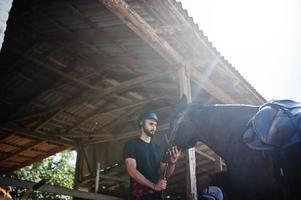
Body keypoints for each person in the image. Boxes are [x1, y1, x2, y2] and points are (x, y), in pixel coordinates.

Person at [123, 112, 181, 200]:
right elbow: (132, 171)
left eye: (155, 125)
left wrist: (173, 163)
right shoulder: (131, 144)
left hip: (156, 195)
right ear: (141, 123)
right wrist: (153, 186)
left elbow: (164, 174)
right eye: (150, 124)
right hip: (139, 195)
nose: (154, 127)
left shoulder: (158, 148)